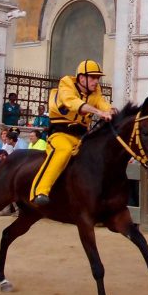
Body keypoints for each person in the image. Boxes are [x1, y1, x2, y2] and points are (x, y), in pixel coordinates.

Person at [30, 59, 115, 205]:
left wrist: (112, 111)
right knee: (63, 150)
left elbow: (103, 103)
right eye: (93, 77)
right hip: (60, 133)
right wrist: (99, 112)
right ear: (82, 77)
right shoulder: (66, 83)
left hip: (81, 137)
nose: (96, 81)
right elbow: (72, 102)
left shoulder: (96, 91)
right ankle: (39, 191)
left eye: (98, 78)